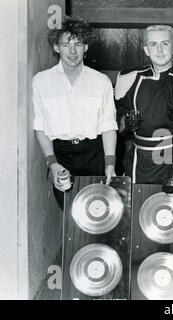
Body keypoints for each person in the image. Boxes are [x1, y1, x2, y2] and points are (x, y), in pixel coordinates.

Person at [33, 18, 118, 209]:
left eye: (78, 44)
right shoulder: (40, 81)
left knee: (98, 214)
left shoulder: (101, 81)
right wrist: (52, 164)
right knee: (71, 215)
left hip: (94, 154)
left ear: (86, 47)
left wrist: (110, 164)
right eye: (66, 44)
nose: (72, 51)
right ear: (56, 47)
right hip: (61, 155)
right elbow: (40, 127)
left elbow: (108, 125)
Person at [114, 25, 173, 186]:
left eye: (165, 43)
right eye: (153, 44)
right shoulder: (130, 78)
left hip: (171, 161)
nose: (160, 50)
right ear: (146, 49)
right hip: (137, 161)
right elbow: (120, 112)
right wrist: (125, 122)